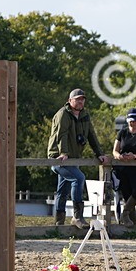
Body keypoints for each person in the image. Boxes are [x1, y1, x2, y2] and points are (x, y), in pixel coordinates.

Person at [47, 88, 108, 228]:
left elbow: (92, 135)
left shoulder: (84, 115)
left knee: (63, 189)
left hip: (73, 158)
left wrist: (100, 154)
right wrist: (63, 153)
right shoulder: (63, 114)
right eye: (77, 99)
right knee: (78, 178)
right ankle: (77, 216)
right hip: (58, 157)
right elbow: (61, 135)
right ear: (70, 101)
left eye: (82, 99)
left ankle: (59, 223)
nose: (80, 101)